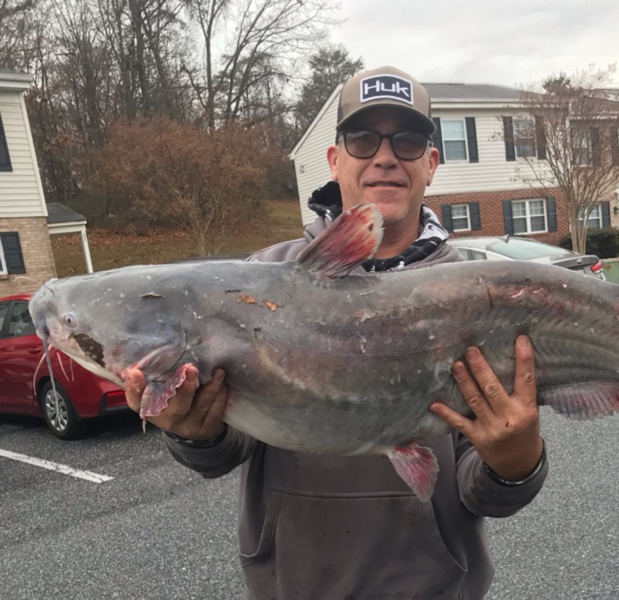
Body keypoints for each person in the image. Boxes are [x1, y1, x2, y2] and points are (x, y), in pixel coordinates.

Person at [124, 66, 547, 600]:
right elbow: (227, 450)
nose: (385, 157)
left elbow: (481, 491)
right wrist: (193, 432)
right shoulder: (256, 282)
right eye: (363, 139)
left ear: (431, 164)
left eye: (408, 141)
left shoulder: (479, 297)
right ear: (334, 159)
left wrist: (516, 466)